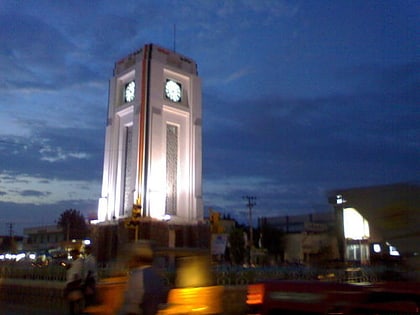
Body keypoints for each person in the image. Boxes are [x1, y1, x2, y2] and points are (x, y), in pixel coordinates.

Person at [119, 242, 168, 315]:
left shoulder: (138, 276)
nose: (128, 261)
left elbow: (133, 305)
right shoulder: (158, 275)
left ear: (137, 259)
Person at [65, 248, 85, 315]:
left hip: (74, 283)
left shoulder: (79, 263)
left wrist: (74, 283)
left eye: (73, 254)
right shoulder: (74, 262)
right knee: (74, 300)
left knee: (75, 299)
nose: (72, 256)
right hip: (72, 282)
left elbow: (77, 274)